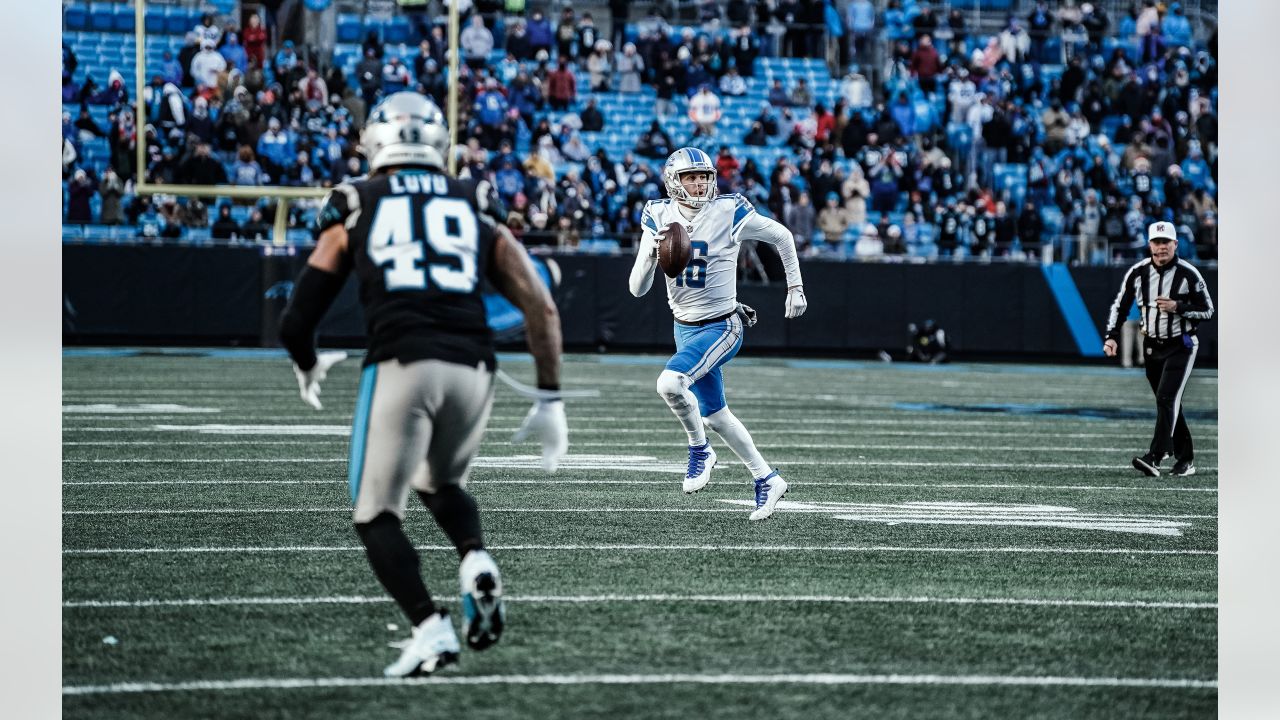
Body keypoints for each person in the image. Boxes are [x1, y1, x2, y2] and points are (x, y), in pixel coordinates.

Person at [277, 92, 569, 677]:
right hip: (475, 368)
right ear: (437, 141)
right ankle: (474, 559)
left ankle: (430, 629)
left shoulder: (354, 200)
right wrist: (548, 397)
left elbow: (296, 318)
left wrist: (306, 360)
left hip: (402, 362)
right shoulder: (472, 203)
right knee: (437, 481)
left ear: (375, 140)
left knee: (375, 513)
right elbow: (541, 307)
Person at [628, 147, 807, 521]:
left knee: (669, 384)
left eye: (704, 176)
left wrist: (796, 288)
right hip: (684, 326)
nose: (699, 183)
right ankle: (767, 478)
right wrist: (651, 254)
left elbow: (782, 236)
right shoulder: (657, 214)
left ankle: (700, 451)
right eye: (691, 177)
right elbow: (637, 290)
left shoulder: (729, 210)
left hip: (722, 324)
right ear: (674, 181)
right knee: (717, 415)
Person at [1102, 221, 1215, 477]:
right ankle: (1186, 459)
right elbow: (1120, 306)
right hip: (1152, 346)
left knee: (1166, 399)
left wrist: (1179, 307)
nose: (1161, 247)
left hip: (1181, 345)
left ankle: (1155, 456)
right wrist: (1111, 336)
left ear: (1175, 244)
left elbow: (1208, 310)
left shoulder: (1189, 274)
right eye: (1156, 242)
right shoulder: (1138, 272)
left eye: (1166, 242)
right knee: (1168, 402)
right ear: (1149, 244)